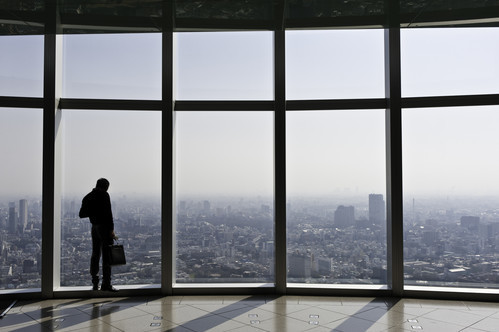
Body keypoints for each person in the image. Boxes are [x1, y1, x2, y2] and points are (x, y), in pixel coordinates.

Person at [79, 178, 118, 292]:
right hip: (104, 228)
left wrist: (93, 212)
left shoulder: (88, 197)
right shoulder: (104, 195)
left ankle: (95, 282)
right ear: (105, 187)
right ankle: (106, 284)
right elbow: (109, 214)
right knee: (107, 256)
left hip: (94, 228)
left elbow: (81, 214)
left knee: (95, 254)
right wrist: (111, 230)